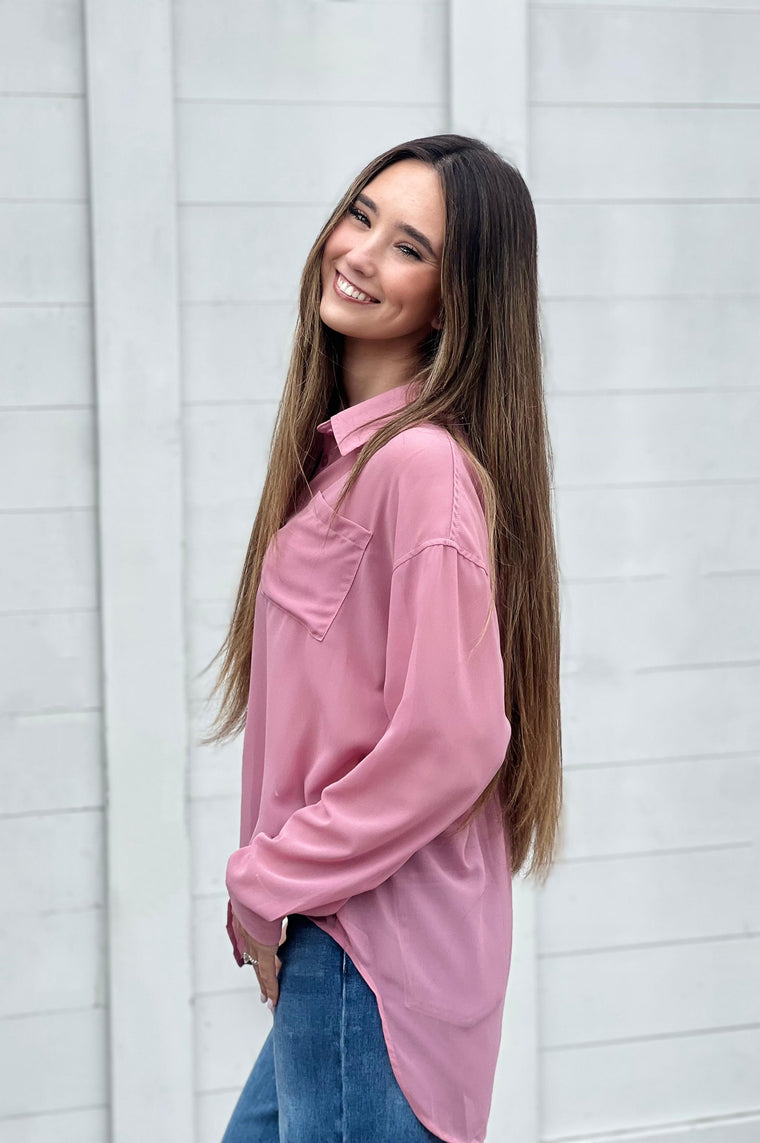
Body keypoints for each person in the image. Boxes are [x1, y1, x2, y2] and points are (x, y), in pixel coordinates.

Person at [202, 133, 563, 1143]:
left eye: (408, 247)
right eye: (360, 216)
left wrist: (265, 876)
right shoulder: (339, 469)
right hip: (344, 940)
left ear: (454, 299)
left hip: (373, 953)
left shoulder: (417, 470)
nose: (358, 253)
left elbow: (454, 737)